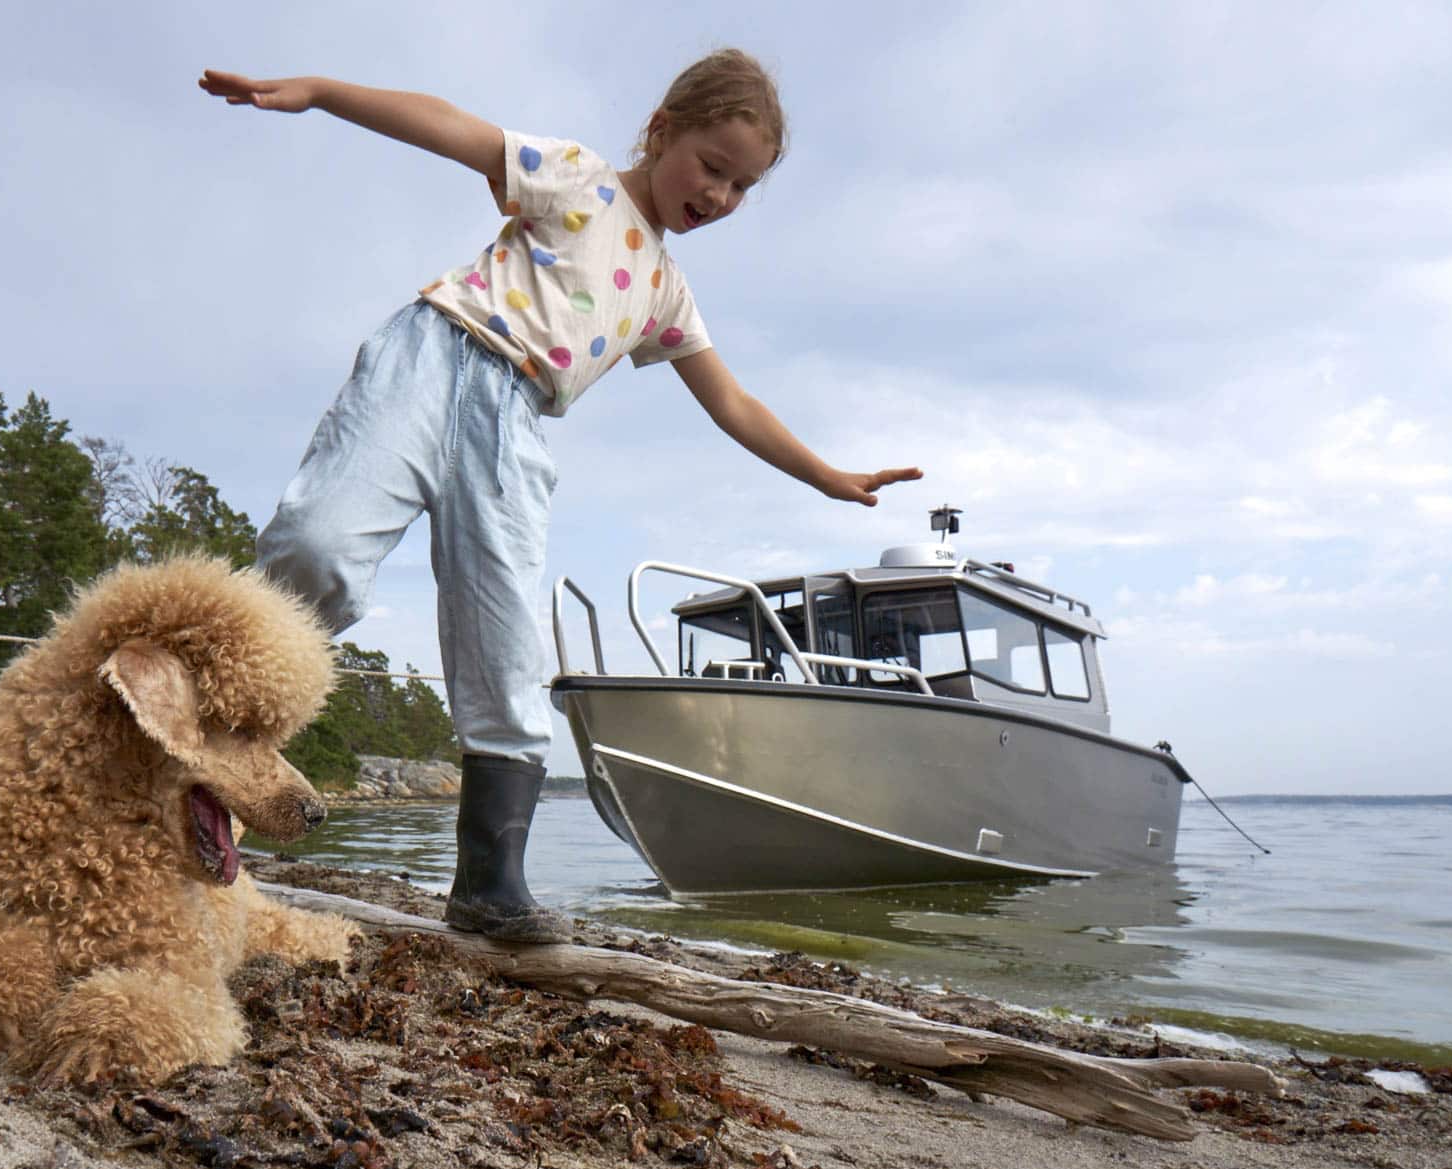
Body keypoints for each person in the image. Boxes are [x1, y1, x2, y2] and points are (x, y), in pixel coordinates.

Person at [198, 50, 921, 944]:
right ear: (662, 133)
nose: (721, 197)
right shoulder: (577, 178)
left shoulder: (667, 293)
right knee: (318, 550)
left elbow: (731, 401)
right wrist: (319, 94)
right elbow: (453, 127)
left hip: (514, 428)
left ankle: (489, 885)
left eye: (743, 187)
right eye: (712, 167)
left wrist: (825, 475)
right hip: (433, 359)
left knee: (506, 647)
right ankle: (198, 720)